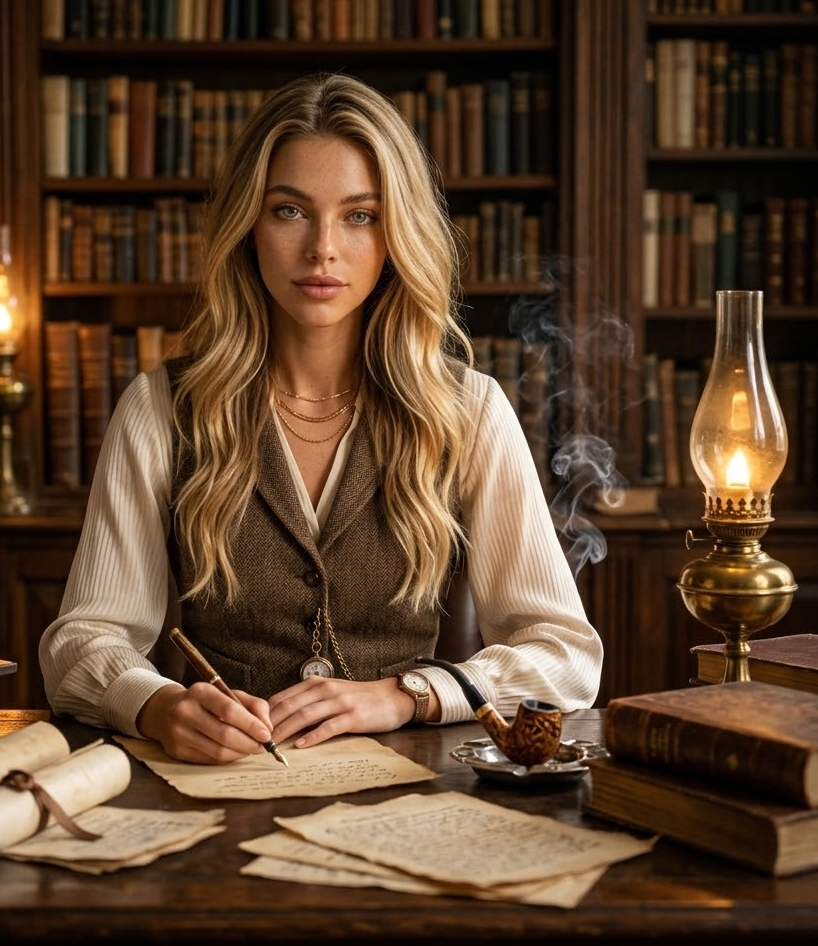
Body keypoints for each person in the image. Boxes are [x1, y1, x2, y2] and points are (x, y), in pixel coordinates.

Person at [39, 72, 603, 764]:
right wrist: (155, 705)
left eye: (360, 216)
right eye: (289, 211)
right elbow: (80, 643)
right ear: (248, 226)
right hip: (222, 786)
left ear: (396, 234)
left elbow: (565, 656)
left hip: (410, 790)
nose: (323, 249)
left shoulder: (468, 410)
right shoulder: (160, 409)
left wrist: (410, 694)